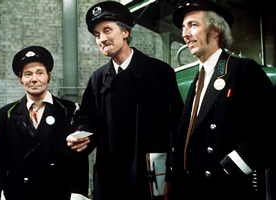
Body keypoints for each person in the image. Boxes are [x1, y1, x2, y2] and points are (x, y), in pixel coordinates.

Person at [66, 1, 184, 200]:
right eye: (97, 35)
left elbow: (177, 127)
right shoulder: (98, 79)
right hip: (110, 180)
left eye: (107, 30)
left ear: (125, 32)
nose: (102, 39)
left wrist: (173, 173)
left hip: (151, 178)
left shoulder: (159, 73)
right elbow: (88, 119)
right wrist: (80, 134)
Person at [166, 0, 276, 200]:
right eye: (183, 27)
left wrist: (230, 167)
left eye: (193, 25)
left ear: (215, 30)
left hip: (226, 191)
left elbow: (270, 128)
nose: (185, 34)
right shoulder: (198, 78)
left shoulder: (242, 69)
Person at [0, 46, 88, 200]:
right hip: (19, 193)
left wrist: (78, 194)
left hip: (57, 193)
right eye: (28, 74)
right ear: (21, 79)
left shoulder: (69, 110)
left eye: (39, 73)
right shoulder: (8, 113)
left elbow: (79, 160)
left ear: (48, 76)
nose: (34, 79)